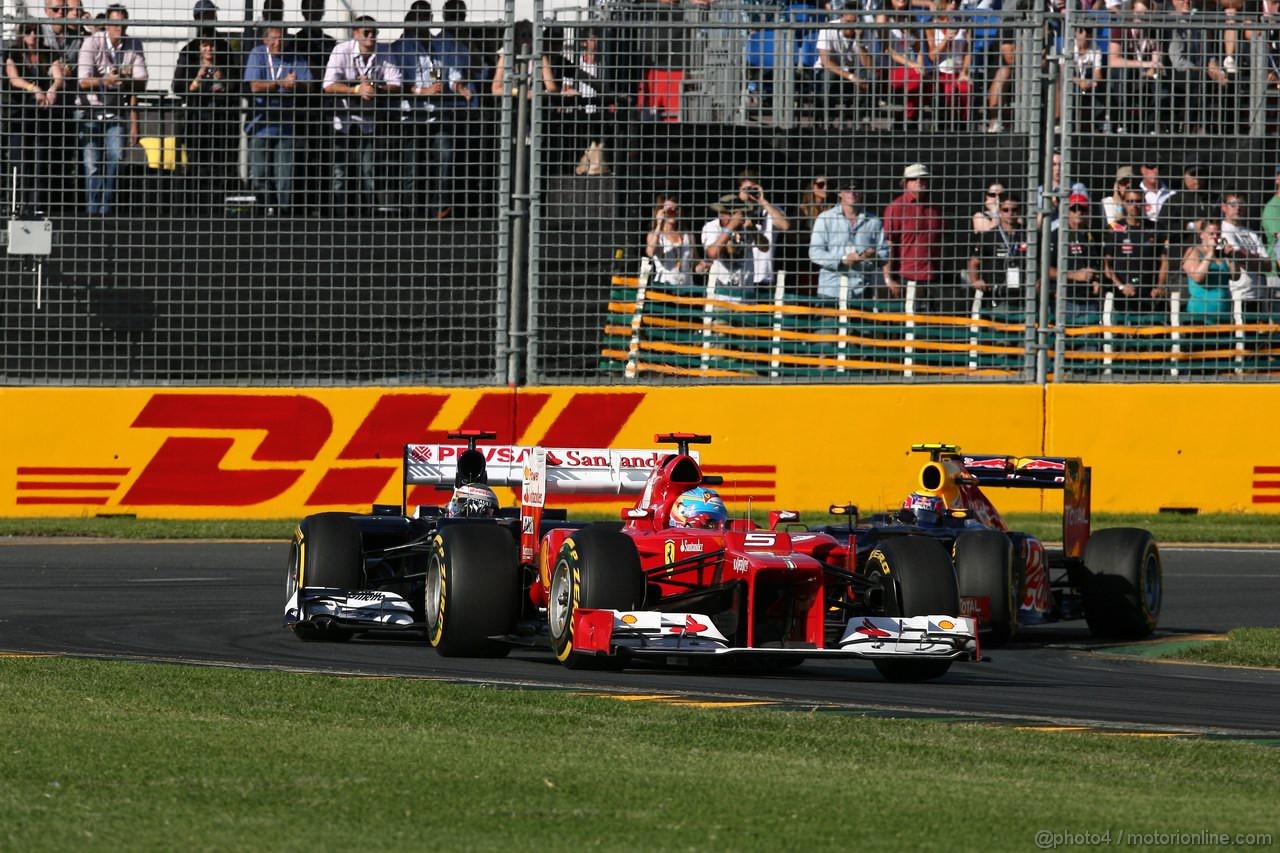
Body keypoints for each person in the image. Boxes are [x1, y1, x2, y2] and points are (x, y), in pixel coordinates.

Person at [322, 17, 403, 216]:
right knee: (339, 171)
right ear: (355, 34)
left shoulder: (384, 51)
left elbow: (396, 83)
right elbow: (328, 85)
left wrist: (376, 88)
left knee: (369, 170)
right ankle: (339, 215)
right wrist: (357, 89)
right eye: (366, 33)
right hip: (342, 121)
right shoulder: (341, 50)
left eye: (374, 32)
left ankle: (367, 215)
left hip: (368, 120)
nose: (371, 37)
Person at [76, 3, 147, 216]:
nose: (119, 28)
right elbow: (82, 81)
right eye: (115, 23)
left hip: (116, 111)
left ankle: (106, 211)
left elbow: (142, 82)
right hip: (89, 111)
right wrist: (104, 81)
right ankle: (92, 212)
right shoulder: (91, 43)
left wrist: (124, 80)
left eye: (122, 23)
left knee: (116, 158)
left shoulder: (134, 45)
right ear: (107, 24)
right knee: (92, 165)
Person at [172, 5, 240, 201]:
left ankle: (218, 206)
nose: (209, 48)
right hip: (197, 119)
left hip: (222, 120)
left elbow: (236, 85)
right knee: (197, 164)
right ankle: (196, 207)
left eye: (211, 16)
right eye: (203, 16)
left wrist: (223, 76)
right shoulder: (189, 51)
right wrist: (197, 79)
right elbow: (178, 87)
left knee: (222, 166)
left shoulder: (225, 47)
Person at [244, 24, 312, 214]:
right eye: (273, 38)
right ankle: (265, 208)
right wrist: (280, 83)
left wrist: (296, 85)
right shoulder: (257, 54)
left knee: (284, 174)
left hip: (285, 124)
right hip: (260, 124)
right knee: (260, 172)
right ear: (265, 40)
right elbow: (254, 86)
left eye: (281, 38)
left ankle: (284, 212)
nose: (278, 43)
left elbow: (310, 86)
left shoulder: (294, 56)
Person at [5, 22, 65, 214]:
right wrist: (34, 88)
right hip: (20, 115)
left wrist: (53, 88)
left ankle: (36, 207)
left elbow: (58, 75)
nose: (32, 36)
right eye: (28, 32)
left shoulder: (47, 53)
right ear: (21, 35)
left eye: (35, 32)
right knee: (20, 161)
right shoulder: (13, 53)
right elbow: (14, 79)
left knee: (40, 161)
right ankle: (15, 206)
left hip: (41, 114)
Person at [430, 0, 477, 217]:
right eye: (454, 14)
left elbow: (481, 69)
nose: (459, 18)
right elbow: (441, 73)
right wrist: (459, 87)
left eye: (462, 14)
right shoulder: (439, 43)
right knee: (446, 157)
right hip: (448, 109)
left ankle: (466, 206)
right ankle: (442, 206)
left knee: (467, 159)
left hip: (469, 109)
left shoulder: (467, 42)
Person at [290, 0, 336, 216]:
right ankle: (300, 206)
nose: (315, 11)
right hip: (300, 108)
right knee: (300, 155)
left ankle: (325, 206)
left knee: (324, 156)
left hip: (324, 107)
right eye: (311, 6)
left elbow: (333, 71)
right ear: (304, 10)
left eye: (318, 6)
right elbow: (296, 70)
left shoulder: (329, 42)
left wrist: (320, 74)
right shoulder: (295, 41)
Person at [808, 178, 889, 301]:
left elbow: (884, 253)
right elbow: (815, 253)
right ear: (839, 193)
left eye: (856, 189)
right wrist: (843, 260)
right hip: (831, 290)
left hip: (862, 291)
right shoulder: (825, 218)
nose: (852, 193)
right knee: (828, 321)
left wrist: (874, 255)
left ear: (862, 192)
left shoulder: (874, 221)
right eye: (847, 189)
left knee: (861, 321)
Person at [883, 163, 945, 311]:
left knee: (932, 328)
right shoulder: (896, 207)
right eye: (914, 179)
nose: (919, 182)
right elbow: (888, 244)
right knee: (905, 327)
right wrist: (889, 279)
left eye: (923, 178)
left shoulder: (935, 208)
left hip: (933, 279)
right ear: (905, 183)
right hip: (905, 278)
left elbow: (941, 241)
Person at [1103, 186, 1170, 315]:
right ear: (1123, 203)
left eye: (1138, 201)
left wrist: (1160, 286)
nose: (1134, 205)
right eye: (1129, 202)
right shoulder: (1114, 228)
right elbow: (1106, 264)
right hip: (1123, 295)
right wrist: (1121, 286)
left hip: (1150, 295)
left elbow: (1164, 261)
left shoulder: (1156, 228)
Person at [967, 192, 1029, 310]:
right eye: (1006, 210)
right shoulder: (989, 236)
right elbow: (974, 262)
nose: (1010, 213)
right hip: (997, 295)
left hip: (1024, 295)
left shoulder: (1029, 235)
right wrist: (975, 281)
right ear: (1000, 211)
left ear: (1020, 211)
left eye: (1014, 209)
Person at [1048, 192, 1104, 322]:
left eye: (1082, 209)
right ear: (1067, 211)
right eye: (1074, 209)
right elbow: (1046, 269)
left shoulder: (1093, 236)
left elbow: (1100, 264)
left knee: (1089, 341)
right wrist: (1074, 275)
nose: (1078, 212)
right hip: (1065, 300)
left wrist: (1096, 279)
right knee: (1062, 340)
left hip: (1089, 300)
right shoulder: (1057, 236)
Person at [816, 2, 871, 130]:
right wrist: (851, 76)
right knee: (828, 76)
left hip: (852, 71)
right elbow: (825, 61)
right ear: (840, 18)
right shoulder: (828, 28)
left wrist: (860, 41)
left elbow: (869, 66)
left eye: (854, 22)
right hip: (829, 71)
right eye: (847, 22)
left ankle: (861, 119)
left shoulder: (864, 31)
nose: (851, 26)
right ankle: (826, 120)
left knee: (869, 76)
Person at [734, 171, 791, 289]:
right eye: (746, 189)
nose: (750, 193)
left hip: (763, 278)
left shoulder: (771, 210)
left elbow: (785, 226)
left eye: (752, 189)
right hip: (740, 277)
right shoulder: (736, 212)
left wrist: (762, 201)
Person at [1220, 191, 1273, 313]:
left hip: (1259, 297)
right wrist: (1256, 258)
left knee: (1260, 332)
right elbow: (1238, 258)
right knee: (1241, 332)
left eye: (1241, 204)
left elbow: (1268, 266)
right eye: (1233, 205)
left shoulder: (1252, 234)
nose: (1238, 208)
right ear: (1224, 207)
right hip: (1237, 297)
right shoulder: (1221, 233)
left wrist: (1244, 256)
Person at [699, 192, 758, 300]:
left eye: (738, 212)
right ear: (721, 214)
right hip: (721, 297)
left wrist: (753, 229)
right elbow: (712, 253)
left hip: (745, 298)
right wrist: (730, 227)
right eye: (732, 213)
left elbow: (764, 247)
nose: (736, 216)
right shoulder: (711, 227)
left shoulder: (746, 228)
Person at [1181, 218, 1237, 324]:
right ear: (1202, 235)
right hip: (1199, 318)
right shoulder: (1195, 251)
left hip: (1224, 317)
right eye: (1211, 234)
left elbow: (1235, 276)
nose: (1215, 237)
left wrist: (1231, 257)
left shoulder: (1222, 255)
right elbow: (1198, 277)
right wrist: (1210, 253)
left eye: (1218, 234)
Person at [929, 0, 972, 128]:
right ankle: (945, 128)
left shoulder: (965, 23)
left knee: (965, 89)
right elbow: (932, 56)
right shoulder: (931, 24)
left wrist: (964, 72)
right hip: (941, 72)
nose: (953, 4)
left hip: (959, 72)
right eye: (949, 1)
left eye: (957, 1)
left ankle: (962, 128)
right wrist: (946, 39)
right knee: (948, 91)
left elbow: (968, 52)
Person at [1160, 164, 1213, 256]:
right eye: (1192, 175)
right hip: (1181, 258)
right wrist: (1190, 227)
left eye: (1200, 175)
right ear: (1184, 176)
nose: (1196, 180)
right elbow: (1162, 230)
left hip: (1210, 258)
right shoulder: (1174, 201)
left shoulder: (1213, 200)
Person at [645, 196, 696, 286]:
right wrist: (659, 225)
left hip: (687, 288)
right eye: (669, 211)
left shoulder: (687, 235)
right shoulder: (655, 235)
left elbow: (695, 261)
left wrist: (703, 265)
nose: (673, 213)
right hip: (665, 288)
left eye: (676, 210)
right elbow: (651, 252)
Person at [1102, 166, 1135, 230]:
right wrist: (1119, 206)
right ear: (1117, 185)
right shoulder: (1107, 203)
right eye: (1124, 182)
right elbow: (1115, 229)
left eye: (1131, 182)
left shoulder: (1136, 202)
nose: (1128, 185)